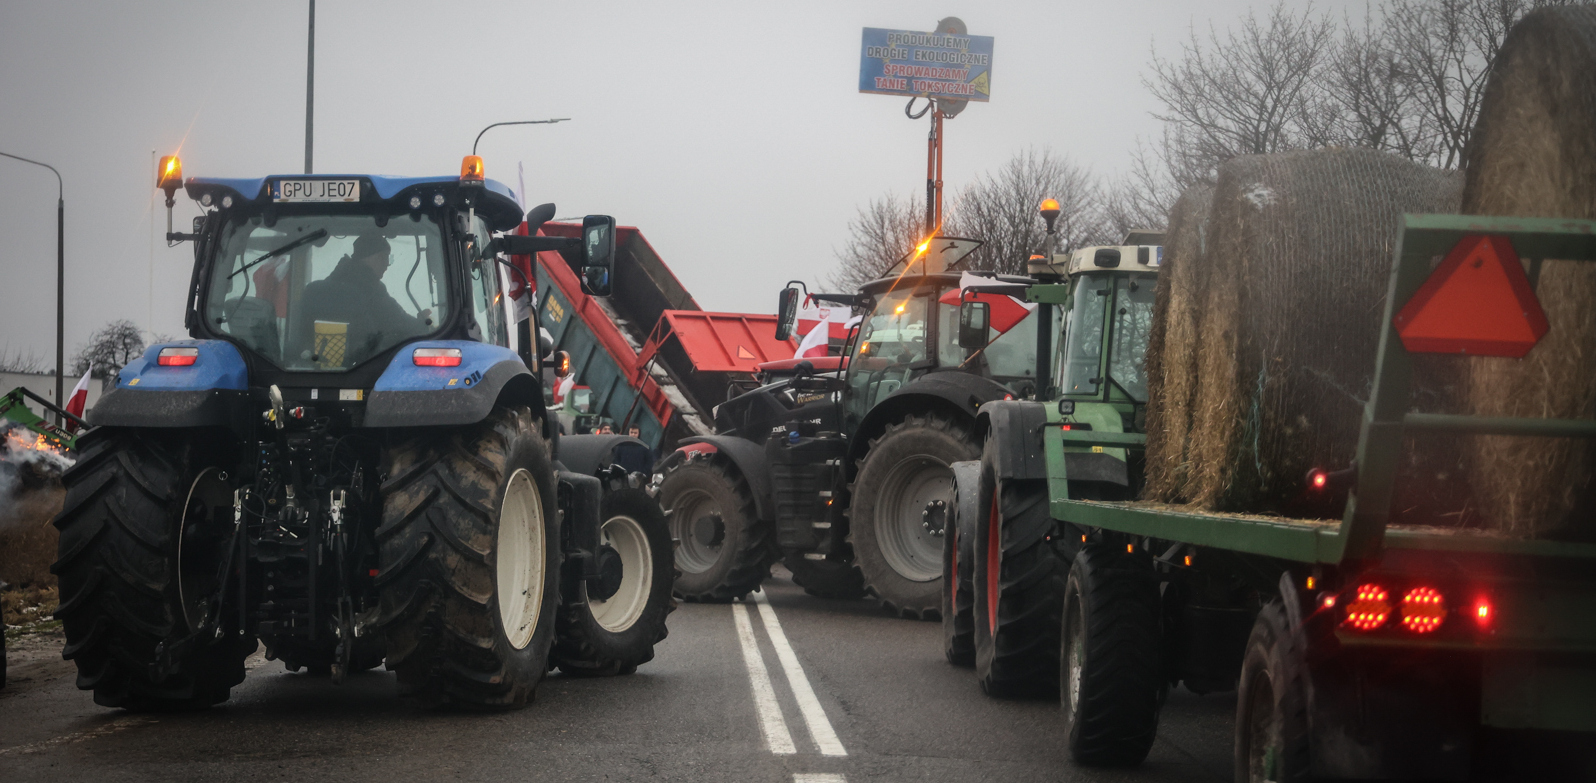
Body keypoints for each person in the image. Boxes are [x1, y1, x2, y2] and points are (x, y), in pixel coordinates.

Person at [297, 234, 433, 366]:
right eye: (383, 258)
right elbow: (397, 323)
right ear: (369, 257)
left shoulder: (319, 289)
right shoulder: (371, 290)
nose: (386, 265)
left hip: (314, 365)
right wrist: (422, 324)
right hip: (363, 365)